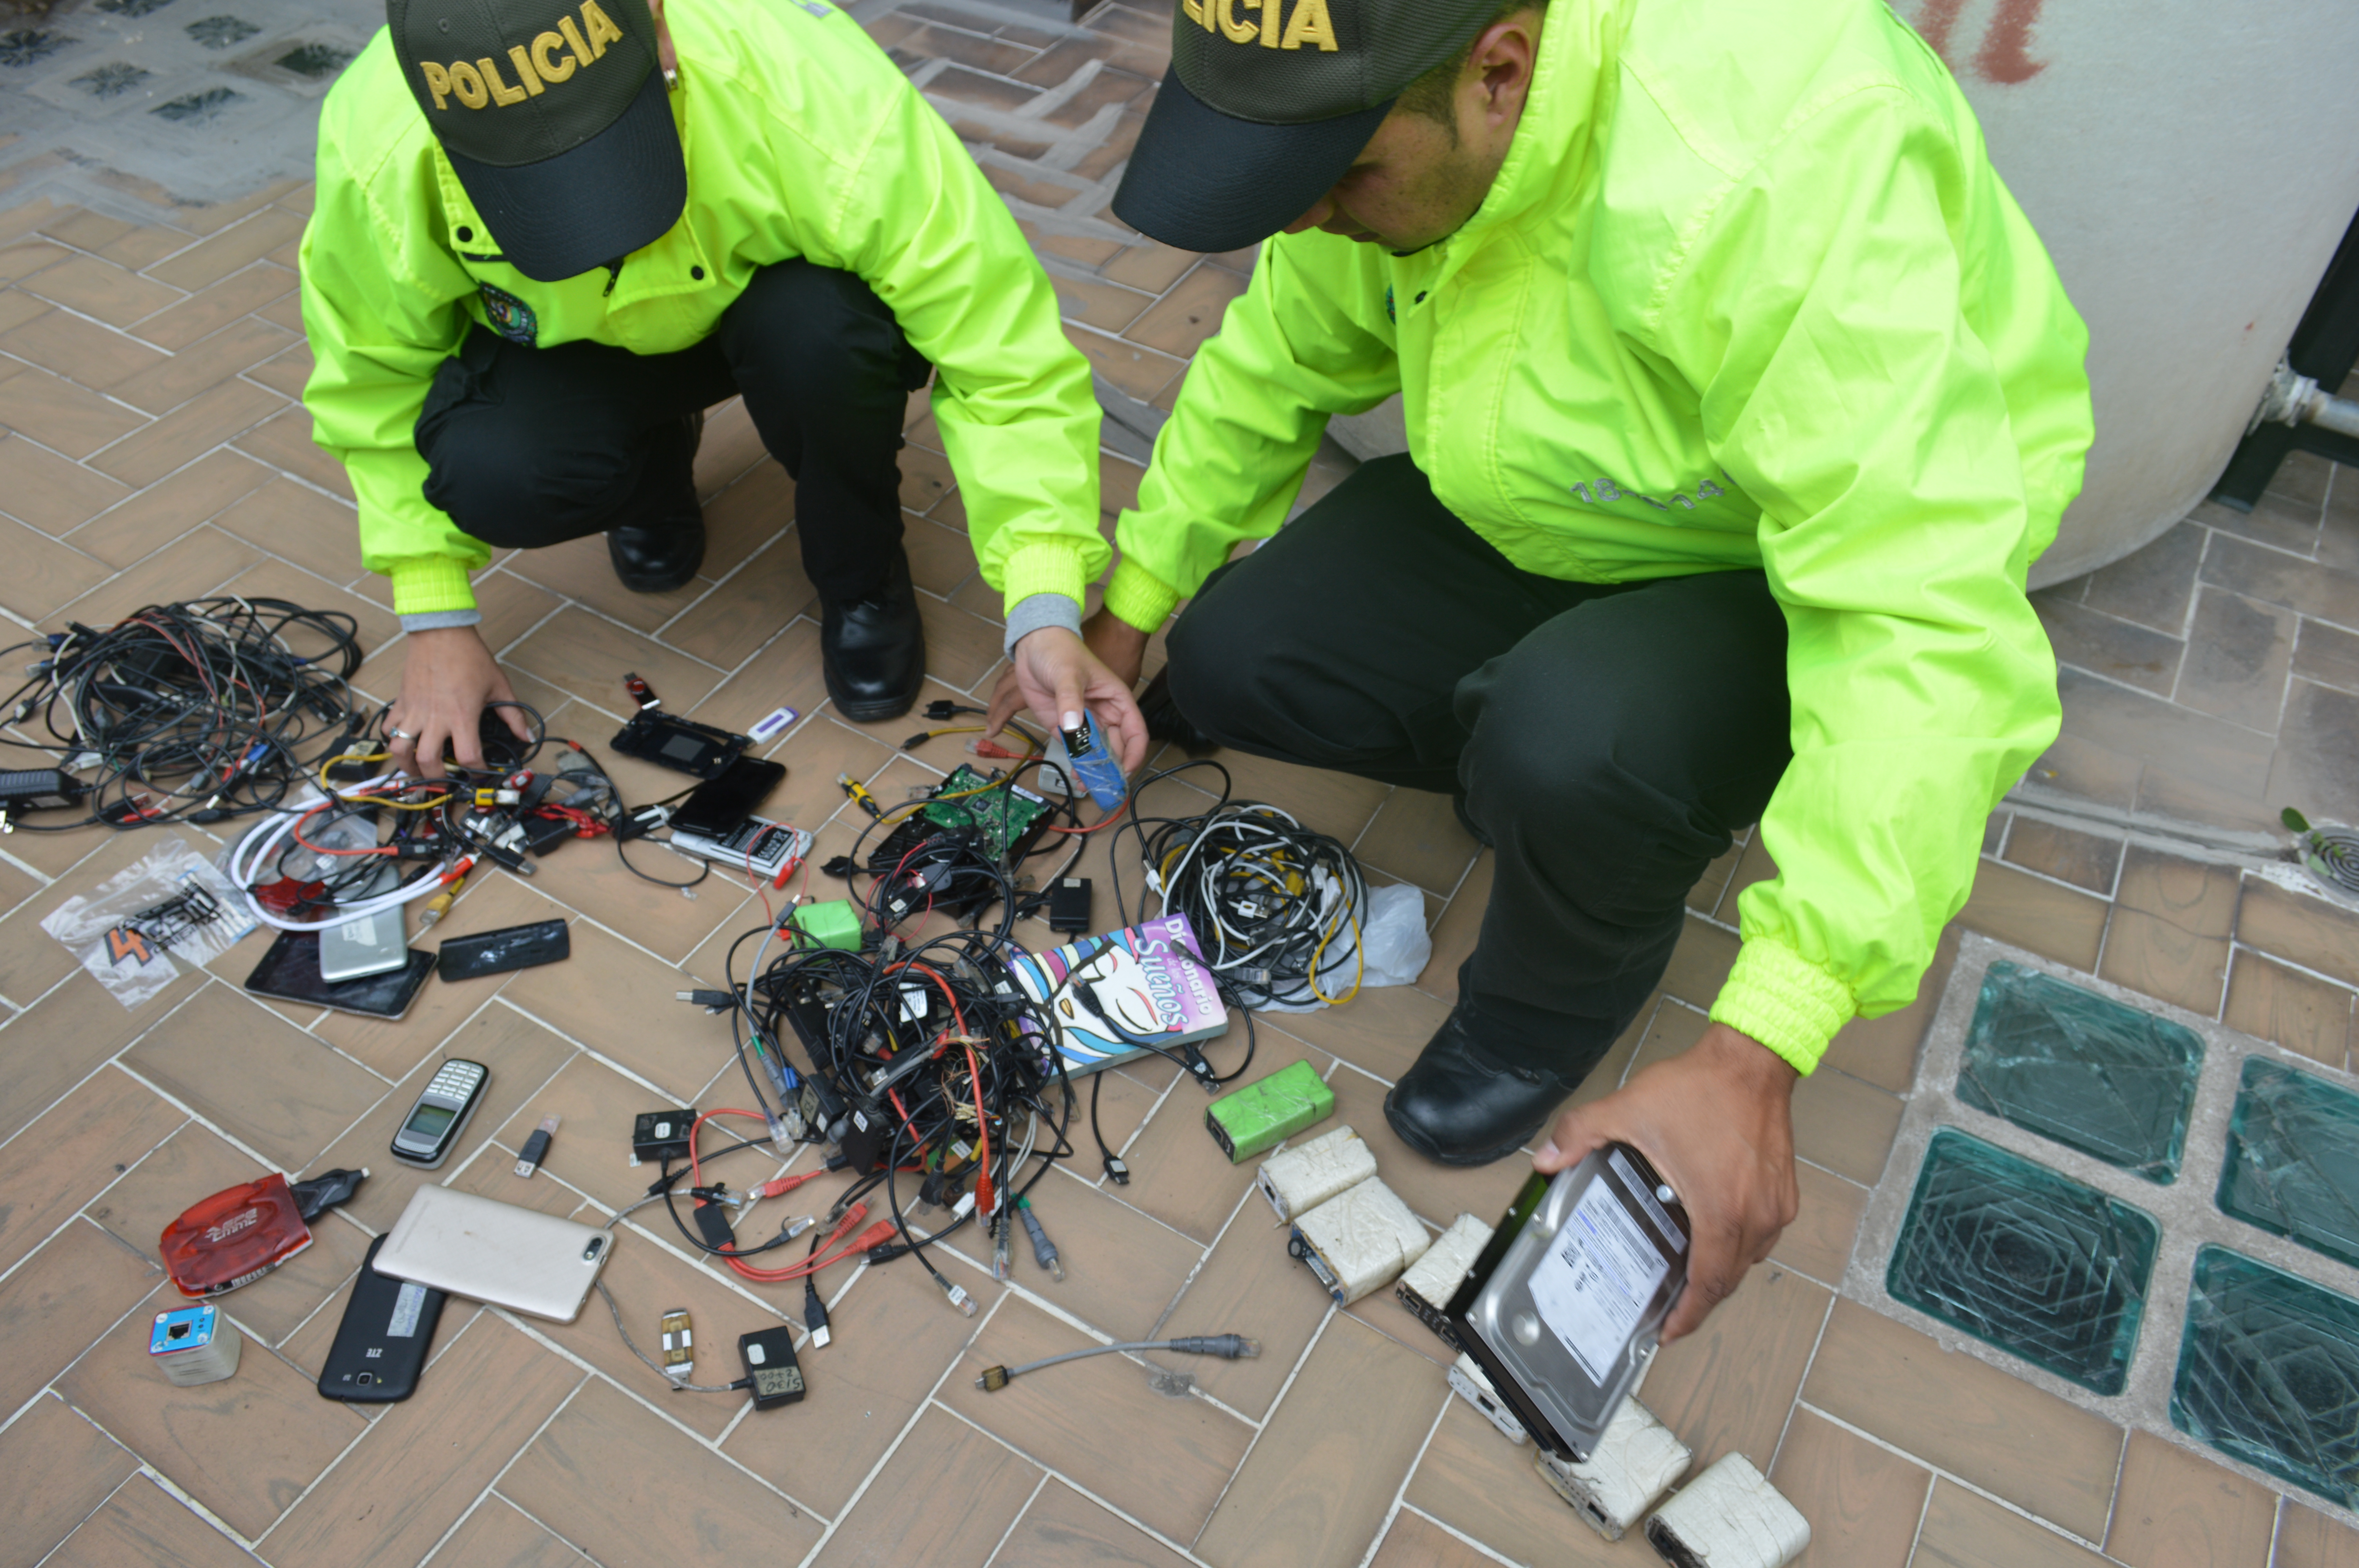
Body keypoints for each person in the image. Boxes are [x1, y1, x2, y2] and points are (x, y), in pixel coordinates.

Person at [992, 0, 2093, 1336]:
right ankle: (1576, 764)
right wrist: (1128, 611)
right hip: (1560, 491)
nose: (1300, 222)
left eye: (1337, 177)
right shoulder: (1407, 115)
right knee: (1231, 657)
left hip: (1773, 553)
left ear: (1500, 73)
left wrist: (1763, 1044)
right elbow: (1274, 361)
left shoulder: (1778, 151)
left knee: (1571, 744)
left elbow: (1914, 615)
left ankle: (1555, 978)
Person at [300, 0, 1145, 775]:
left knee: (829, 335)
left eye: (604, 147)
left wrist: (1042, 602)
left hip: (767, 313)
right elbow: (370, 380)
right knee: (493, 467)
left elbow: (1001, 351)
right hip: (569, 348)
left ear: (658, 27)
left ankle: (861, 575)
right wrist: (436, 617)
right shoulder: (377, 141)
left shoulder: (816, 94)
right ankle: (651, 475)